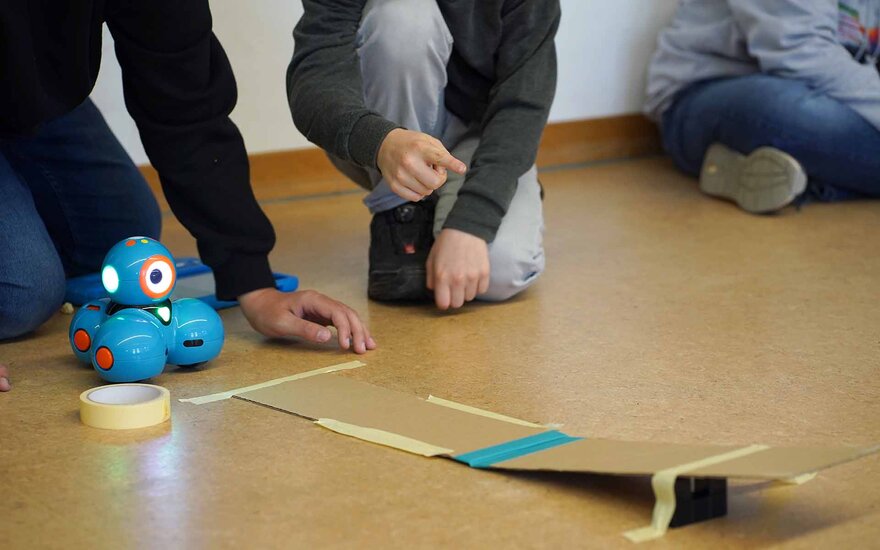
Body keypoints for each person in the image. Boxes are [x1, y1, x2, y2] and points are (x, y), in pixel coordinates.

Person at [0, 1, 375, 392]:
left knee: (121, 234)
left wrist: (252, 282)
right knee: (22, 291)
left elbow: (184, 97)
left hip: (28, 80)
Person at [288, 0, 560, 310]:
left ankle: (472, 194)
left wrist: (472, 221)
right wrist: (380, 142)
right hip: (384, 135)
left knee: (499, 270)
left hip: (483, 137)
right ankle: (401, 212)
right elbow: (315, 78)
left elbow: (523, 104)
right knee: (402, 17)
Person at [645, 0, 880, 213]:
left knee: (826, 118)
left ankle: (791, 179)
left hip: (825, 94)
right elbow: (802, 55)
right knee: (791, 111)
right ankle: (828, 179)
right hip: (708, 95)